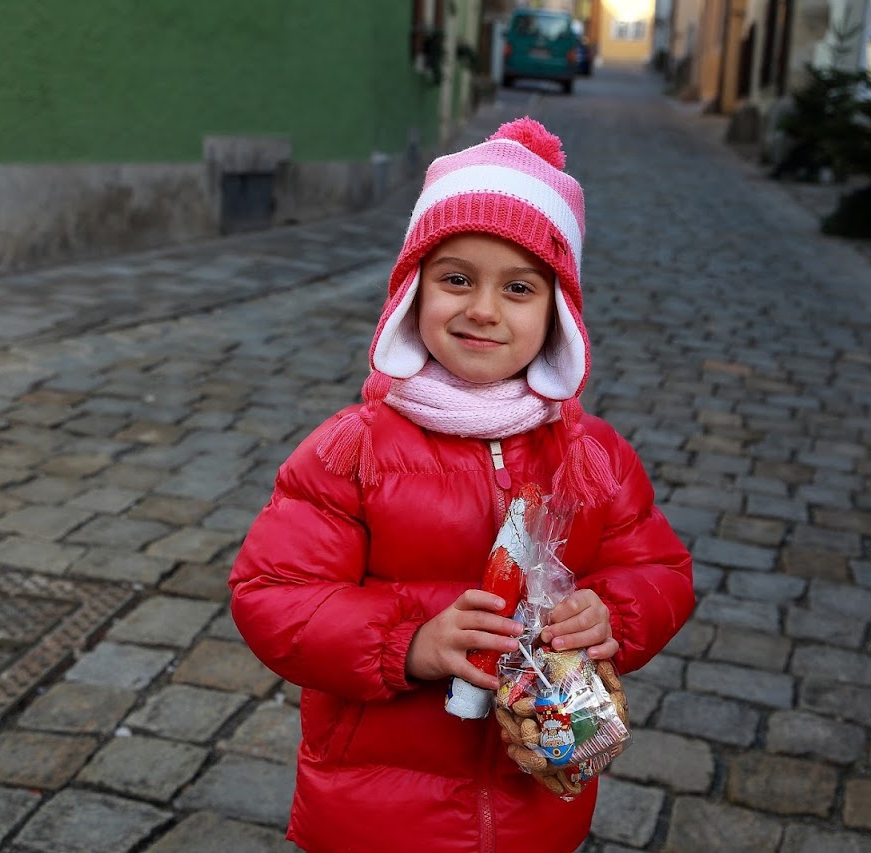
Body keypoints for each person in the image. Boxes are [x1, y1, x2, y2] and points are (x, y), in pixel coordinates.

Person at [228, 117, 695, 853]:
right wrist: (407, 642)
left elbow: (659, 569)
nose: (482, 308)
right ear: (413, 292)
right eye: (455, 279)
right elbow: (272, 593)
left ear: (558, 313)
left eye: (517, 287)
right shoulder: (355, 449)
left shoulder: (592, 454)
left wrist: (613, 615)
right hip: (377, 807)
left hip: (529, 801)